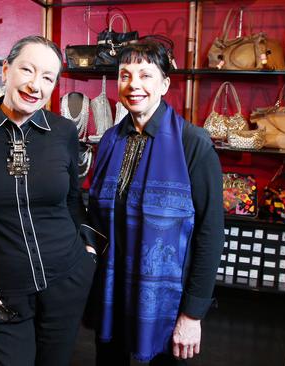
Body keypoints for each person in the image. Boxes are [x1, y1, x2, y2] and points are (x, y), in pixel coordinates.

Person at [0, 35, 96, 366]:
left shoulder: (65, 131)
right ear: (6, 70)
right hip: (0, 291)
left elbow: (72, 199)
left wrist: (88, 252)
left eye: (48, 77)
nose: (35, 85)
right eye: (27, 69)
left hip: (67, 281)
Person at [85, 41, 225, 365]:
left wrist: (193, 314)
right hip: (112, 293)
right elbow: (95, 217)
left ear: (164, 83)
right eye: (125, 75)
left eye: (146, 75)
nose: (134, 85)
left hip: (167, 300)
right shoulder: (109, 141)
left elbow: (210, 233)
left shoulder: (193, 143)